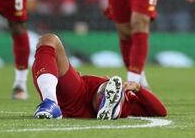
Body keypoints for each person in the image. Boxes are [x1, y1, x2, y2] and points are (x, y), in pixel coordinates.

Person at [31, 33, 167, 120]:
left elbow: (161, 111)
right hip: (76, 97)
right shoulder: (131, 104)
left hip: (77, 93)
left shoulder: (130, 101)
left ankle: (50, 102)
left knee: (49, 40)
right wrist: (138, 89)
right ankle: (109, 102)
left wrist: (138, 88)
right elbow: (161, 112)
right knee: (112, 86)